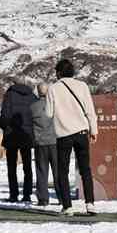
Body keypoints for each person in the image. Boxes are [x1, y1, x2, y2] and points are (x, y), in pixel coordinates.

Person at [46, 59, 98, 215]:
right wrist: (93, 130)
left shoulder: (53, 89)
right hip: (82, 132)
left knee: (63, 170)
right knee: (85, 170)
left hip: (64, 134)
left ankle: (67, 206)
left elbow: (48, 113)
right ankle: (90, 204)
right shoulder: (82, 86)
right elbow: (90, 110)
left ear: (59, 73)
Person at [0, 79, 37, 203]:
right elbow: (35, 115)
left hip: (11, 135)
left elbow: (4, 116)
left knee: (11, 167)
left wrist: (5, 127)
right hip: (26, 135)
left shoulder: (9, 95)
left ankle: (13, 194)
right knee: (27, 166)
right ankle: (27, 194)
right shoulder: (32, 96)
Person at [30, 82, 61, 207]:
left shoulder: (32, 107)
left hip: (40, 143)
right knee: (58, 171)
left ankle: (43, 198)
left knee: (41, 171)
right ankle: (62, 197)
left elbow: (30, 126)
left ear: (37, 92)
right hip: (55, 141)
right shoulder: (55, 105)